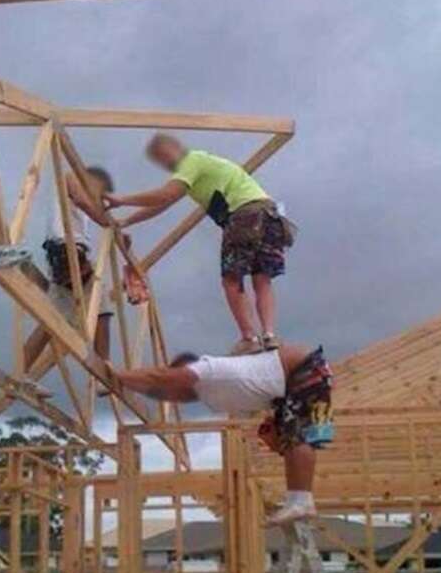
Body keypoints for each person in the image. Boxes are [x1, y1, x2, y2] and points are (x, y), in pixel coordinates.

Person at [103, 134, 294, 356]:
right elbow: (163, 203)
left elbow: (166, 194)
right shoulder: (203, 165)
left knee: (232, 280)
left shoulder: (191, 161)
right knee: (262, 278)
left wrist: (122, 200)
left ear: (176, 148)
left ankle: (249, 338)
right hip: (269, 216)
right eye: (160, 159)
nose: (166, 163)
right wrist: (127, 220)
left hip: (244, 216)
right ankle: (269, 336)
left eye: (164, 155)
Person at [113, 343, 333, 525]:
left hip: (302, 368)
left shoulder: (206, 370)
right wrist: (130, 386)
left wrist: (117, 376)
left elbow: (160, 379)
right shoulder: (212, 395)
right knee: (292, 436)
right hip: (291, 381)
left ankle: (301, 501)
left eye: (176, 379)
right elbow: (160, 389)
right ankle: (299, 500)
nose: (175, 394)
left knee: (298, 435)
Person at [23, 165, 115, 372]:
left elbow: (84, 205)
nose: (97, 197)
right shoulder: (70, 176)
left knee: (51, 321)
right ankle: (104, 366)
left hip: (61, 255)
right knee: (102, 308)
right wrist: (111, 224)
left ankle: (21, 373)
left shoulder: (74, 207)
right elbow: (83, 201)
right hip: (68, 251)